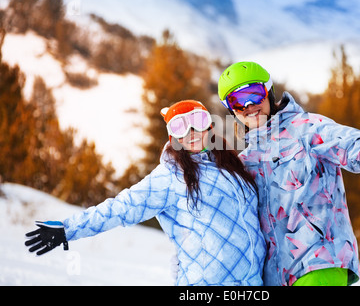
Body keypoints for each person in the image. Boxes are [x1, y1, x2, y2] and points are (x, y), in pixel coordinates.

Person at [217, 61, 360, 286]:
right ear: (231, 110)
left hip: (319, 263)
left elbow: (356, 148)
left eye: (254, 94)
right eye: (237, 101)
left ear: (268, 92)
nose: (248, 106)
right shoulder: (246, 161)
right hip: (276, 277)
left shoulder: (307, 128)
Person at [25, 100, 266, 286]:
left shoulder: (231, 165)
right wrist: (69, 229)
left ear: (210, 126)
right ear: (172, 137)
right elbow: (121, 208)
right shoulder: (170, 176)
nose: (191, 131)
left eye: (197, 121)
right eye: (180, 126)